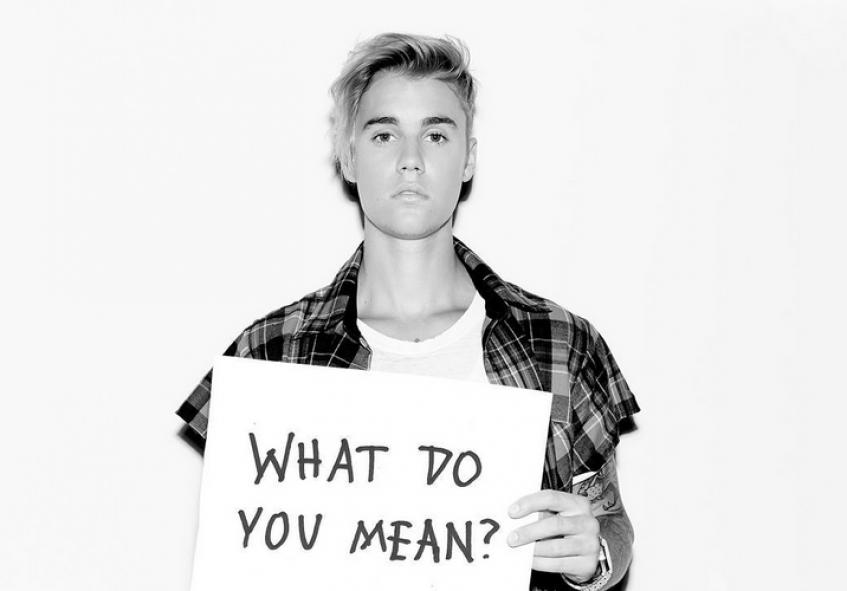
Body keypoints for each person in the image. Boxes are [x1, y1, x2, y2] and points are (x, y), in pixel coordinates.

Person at [177, 32, 640, 591]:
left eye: (436, 135)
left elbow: (610, 519)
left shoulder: (560, 341)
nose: (411, 161)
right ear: (349, 157)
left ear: (468, 158)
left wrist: (596, 556)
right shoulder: (269, 353)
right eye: (384, 134)